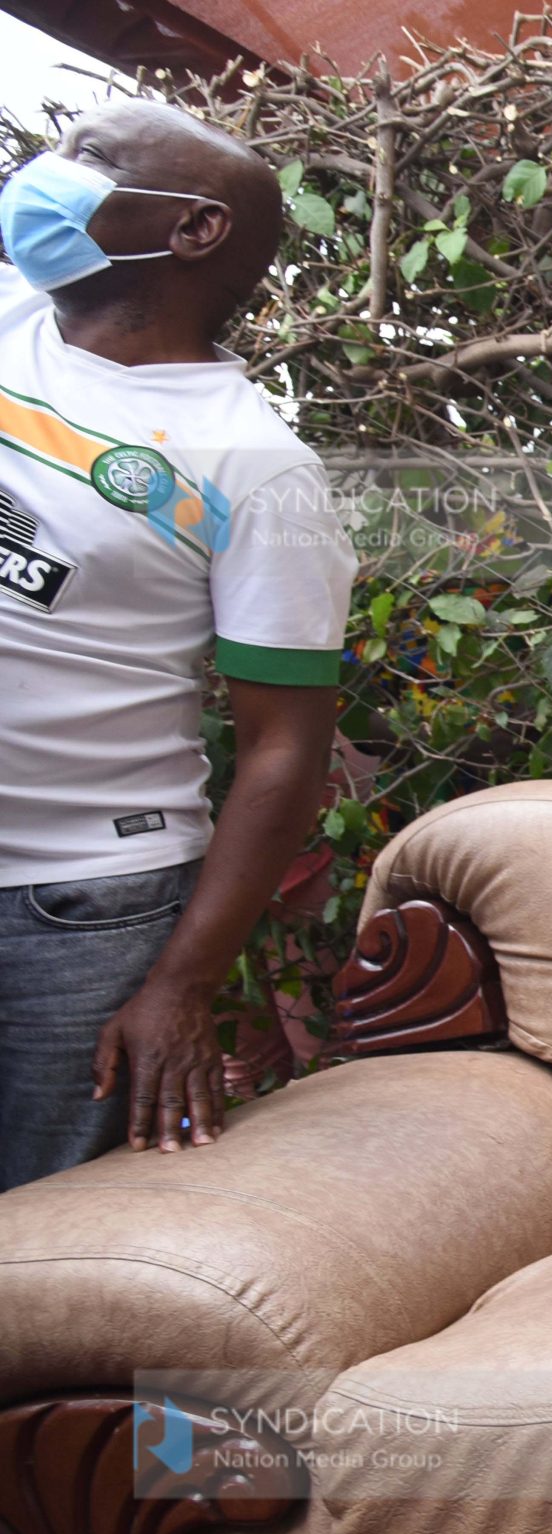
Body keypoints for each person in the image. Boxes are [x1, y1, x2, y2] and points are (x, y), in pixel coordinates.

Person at [0, 102, 354, 1192]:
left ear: (194, 230)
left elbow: (284, 749)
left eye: (89, 159)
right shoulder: (13, 312)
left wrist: (181, 985)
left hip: (75, 912)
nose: (45, 172)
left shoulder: (255, 466)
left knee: (37, 1245)